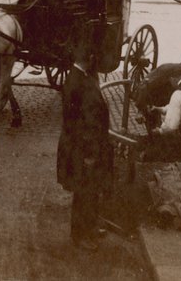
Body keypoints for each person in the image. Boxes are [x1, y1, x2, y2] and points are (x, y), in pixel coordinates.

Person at [56, 29, 113, 250]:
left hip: (87, 146)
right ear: (89, 59)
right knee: (84, 193)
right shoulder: (77, 82)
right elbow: (80, 122)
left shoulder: (80, 77)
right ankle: (81, 235)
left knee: (91, 190)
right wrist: (90, 153)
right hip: (84, 148)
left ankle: (90, 226)